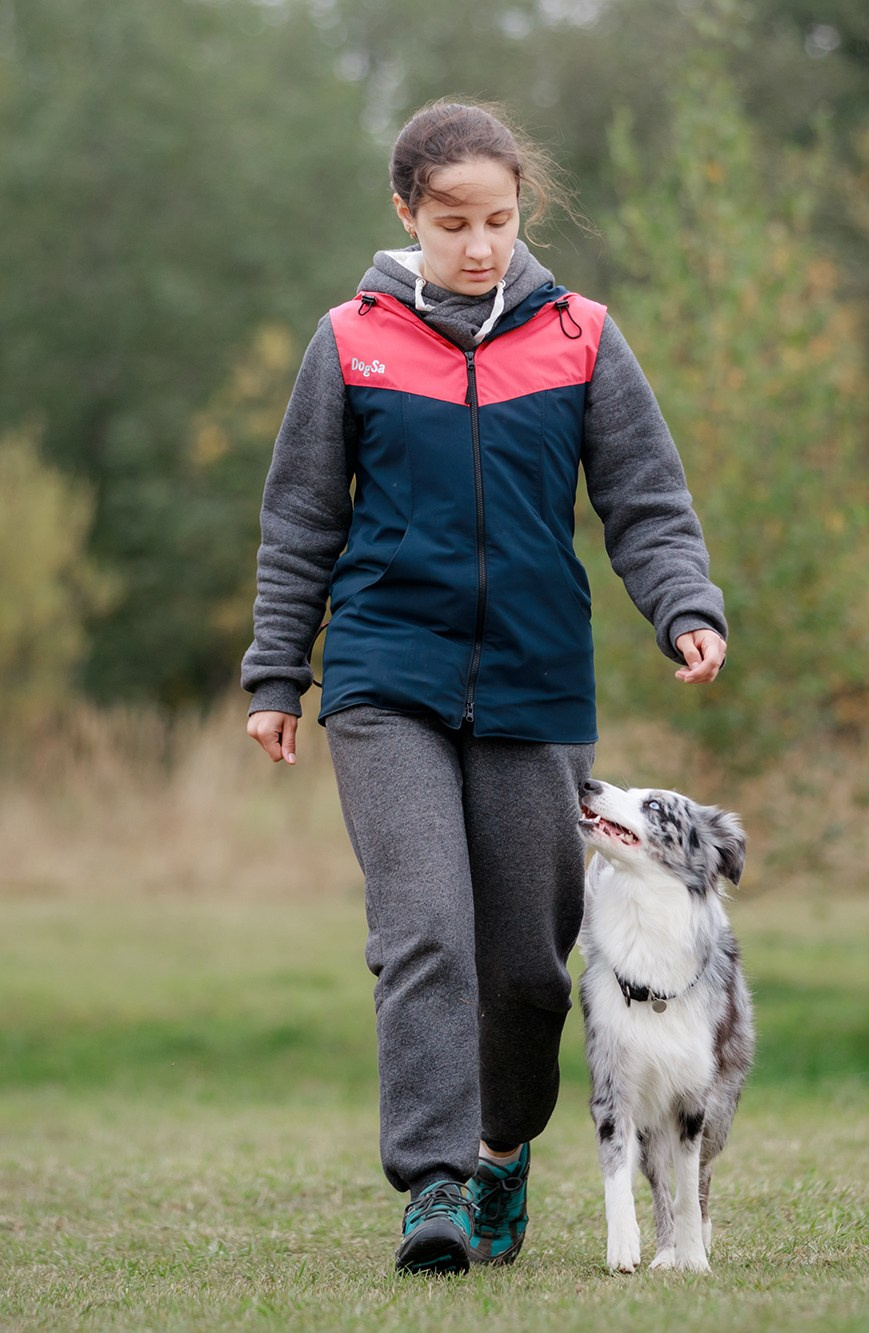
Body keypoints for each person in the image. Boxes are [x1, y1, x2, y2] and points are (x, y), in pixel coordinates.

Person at [241, 98, 727, 1276]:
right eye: (451, 220)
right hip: (380, 675)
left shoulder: (579, 339)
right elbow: (301, 519)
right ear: (405, 211)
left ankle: (502, 1150)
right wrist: (276, 672)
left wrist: (685, 605)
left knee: (522, 963)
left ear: (522, 215)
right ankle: (435, 1186)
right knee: (422, 931)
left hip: (532, 681)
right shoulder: (349, 340)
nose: (476, 244)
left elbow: (645, 500)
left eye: (497, 221)